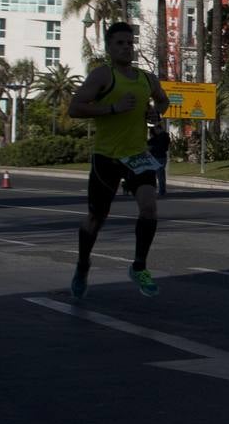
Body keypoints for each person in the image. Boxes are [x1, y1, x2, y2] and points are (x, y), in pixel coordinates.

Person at [66, 22, 170, 299]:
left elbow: (163, 101)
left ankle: (139, 267)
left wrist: (155, 114)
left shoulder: (147, 78)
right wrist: (112, 108)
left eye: (129, 42)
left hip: (137, 155)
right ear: (109, 48)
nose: (126, 47)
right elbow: (75, 108)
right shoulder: (103, 75)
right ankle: (83, 263)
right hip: (107, 157)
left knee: (149, 208)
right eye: (120, 43)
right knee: (96, 218)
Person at [147, 118, 171, 198]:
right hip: (157, 157)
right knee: (158, 174)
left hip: (159, 157)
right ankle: (160, 190)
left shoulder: (163, 136)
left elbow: (161, 147)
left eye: (155, 129)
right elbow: (150, 142)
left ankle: (161, 191)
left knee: (159, 174)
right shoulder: (158, 137)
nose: (155, 131)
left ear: (159, 128)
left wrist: (152, 148)